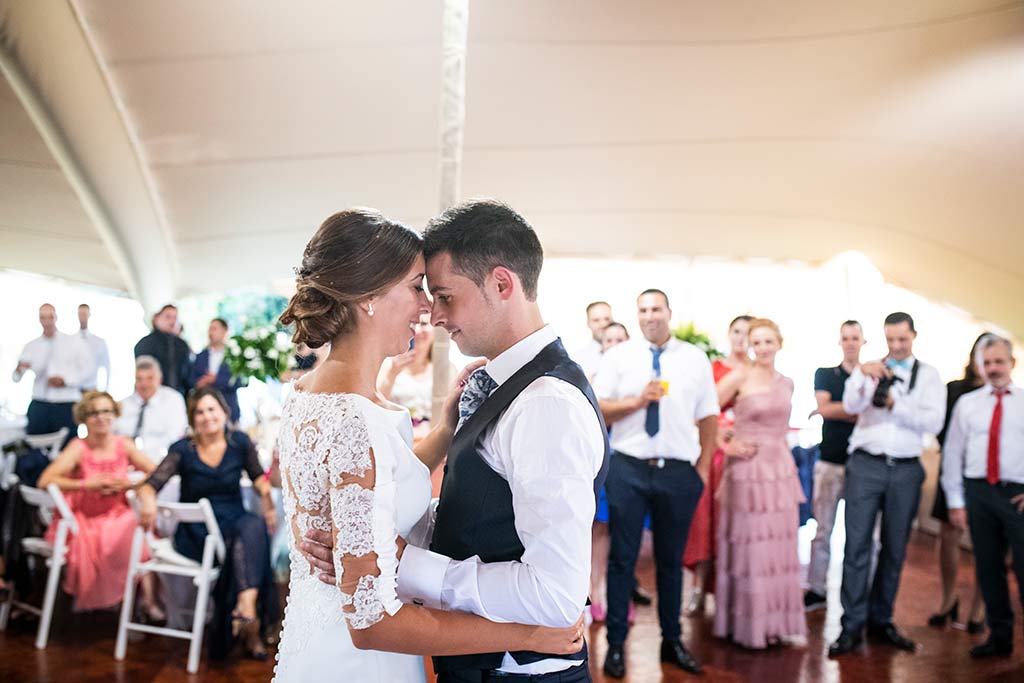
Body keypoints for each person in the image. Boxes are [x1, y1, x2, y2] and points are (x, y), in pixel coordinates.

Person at [274, 205, 595, 683]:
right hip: (363, 660)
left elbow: (377, 486)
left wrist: (443, 437)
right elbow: (372, 616)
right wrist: (525, 634)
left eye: (441, 294)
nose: (429, 310)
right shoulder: (356, 419)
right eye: (417, 288)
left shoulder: (306, 395)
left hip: (326, 646)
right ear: (368, 297)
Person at [593, 289, 716, 678]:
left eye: (656, 309)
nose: (650, 316)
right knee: (622, 559)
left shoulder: (695, 359)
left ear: (669, 313)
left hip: (678, 473)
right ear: (637, 315)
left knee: (671, 561)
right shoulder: (618, 357)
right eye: (643, 310)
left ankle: (672, 641)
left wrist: (703, 472)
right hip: (628, 469)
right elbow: (598, 407)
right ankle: (615, 645)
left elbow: (709, 416)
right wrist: (634, 402)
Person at [829, 312, 945, 656]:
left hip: (907, 469)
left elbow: (933, 422)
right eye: (890, 339)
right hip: (866, 465)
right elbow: (851, 405)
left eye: (902, 340)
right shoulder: (868, 368)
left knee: (895, 548)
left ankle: (882, 620)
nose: (895, 346)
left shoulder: (929, 376)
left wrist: (897, 403)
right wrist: (863, 378)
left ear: (913, 336)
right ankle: (851, 625)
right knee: (856, 546)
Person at [137, 387, 278, 660]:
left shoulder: (239, 442)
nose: (206, 416)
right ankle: (252, 627)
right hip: (197, 535)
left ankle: (245, 607)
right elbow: (150, 484)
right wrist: (148, 500)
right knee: (252, 534)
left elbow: (258, 477)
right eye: (199, 411)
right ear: (192, 419)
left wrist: (267, 500)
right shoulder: (182, 449)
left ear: (224, 413)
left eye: (212, 409)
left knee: (251, 526)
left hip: (233, 523)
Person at [713, 318, 806, 648]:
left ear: (780, 343)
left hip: (780, 471)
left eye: (769, 341)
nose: (763, 348)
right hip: (747, 472)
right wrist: (726, 443)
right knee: (752, 550)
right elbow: (705, 411)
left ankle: (775, 625)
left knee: (778, 550)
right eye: (758, 342)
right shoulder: (740, 375)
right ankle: (746, 628)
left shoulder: (788, 382)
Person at [36, 391, 160, 616]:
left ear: (115, 414)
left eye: (106, 411)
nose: (101, 417)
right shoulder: (78, 447)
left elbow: (157, 472)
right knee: (135, 531)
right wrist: (85, 484)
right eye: (94, 413)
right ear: (85, 418)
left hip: (117, 514)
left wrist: (127, 484)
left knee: (136, 525)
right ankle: (139, 605)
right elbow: (45, 480)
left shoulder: (125, 445)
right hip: (87, 519)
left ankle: (142, 603)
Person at [942, 335, 1023, 659]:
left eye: (998, 361)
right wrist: (955, 501)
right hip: (978, 493)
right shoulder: (968, 404)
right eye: (987, 363)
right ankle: (999, 637)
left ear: (1011, 363)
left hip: (1017, 496)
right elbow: (953, 453)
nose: (993, 368)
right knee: (988, 568)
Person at [683, 314, 752, 616]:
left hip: (750, 455)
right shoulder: (716, 369)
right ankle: (699, 587)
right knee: (708, 525)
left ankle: (738, 591)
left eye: (748, 333)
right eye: (736, 331)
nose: (742, 338)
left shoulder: (761, 372)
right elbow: (702, 412)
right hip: (717, 456)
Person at [803, 320, 866, 612]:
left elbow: (828, 410)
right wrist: (856, 410)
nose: (850, 342)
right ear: (839, 341)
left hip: (862, 466)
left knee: (862, 533)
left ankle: (856, 594)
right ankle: (816, 588)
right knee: (823, 529)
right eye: (846, 338)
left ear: (863, 341)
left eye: (855, 338)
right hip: (829, 461)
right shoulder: (826, 374)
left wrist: (833, 410)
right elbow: (824, 408)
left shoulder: (870, 377)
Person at [928, 333, 989, 631]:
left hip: (986, 477)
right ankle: (948, 599)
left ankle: (979, 608)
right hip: (953, 470)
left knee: (986, 543)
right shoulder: (954, 390)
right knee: (948, 537)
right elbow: (941, 430)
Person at [590, 321, 630, 623]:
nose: (615, 344)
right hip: (600, 459)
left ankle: (620, 593)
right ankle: (595, 591)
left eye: (621, 339)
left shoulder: (636, 379)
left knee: (625, 532)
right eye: (610, 339)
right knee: (598, 529)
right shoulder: (589, 378)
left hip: (629, 462)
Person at [12, 304, 94, 444]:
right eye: (43, 317)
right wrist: (19, 369)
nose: (47, 322)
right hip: (40, 403)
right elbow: (16, 378)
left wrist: (66, 381)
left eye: (50, 317)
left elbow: (89, 370)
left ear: (56, 317)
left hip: (65, 403)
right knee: (34, 446)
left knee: (68, 447)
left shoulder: (73, 342)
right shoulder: (32, 346)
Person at [377, 313, 457, 432]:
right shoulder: (386, 364)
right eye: (414, 324)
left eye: (424, 324)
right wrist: (392, 374)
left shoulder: (446, 369)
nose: (418, 331)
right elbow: (376, 406)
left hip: (431, 441)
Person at [116, 356, 188, 463]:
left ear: (160, 379)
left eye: (150, 378)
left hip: (162, 461)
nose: (144, 384)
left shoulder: (173, 400)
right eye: (139, 379)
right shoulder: (123, 405)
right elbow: (116, 435)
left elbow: (175, 436)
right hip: (127, 461)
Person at [188, 318, 243, 424]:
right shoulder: (200, 356)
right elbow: (191, 380)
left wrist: (215, 379)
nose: (210, 332)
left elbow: (241, 381)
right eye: (209, 329)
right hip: (206, 415)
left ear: (224, 331)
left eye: (214, 329)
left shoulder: (235, 356)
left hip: (230, 412)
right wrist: (200, 383)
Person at [134, 304, 193, 395]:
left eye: (175, 318)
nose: (172, 321)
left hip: (179, 396)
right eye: (168, 317)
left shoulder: (182, 345)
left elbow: (187, 374)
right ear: (157, 318)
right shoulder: (145, 344)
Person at [573, 301, 613, 379]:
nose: (603, 324)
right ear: (588, 323)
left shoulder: (628, 351)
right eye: (596, 320)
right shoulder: (577, 360)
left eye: (607, 319)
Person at [76, 304, 110, 392]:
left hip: (91, 389)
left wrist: (105, 390)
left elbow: (107, 367)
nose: (82, 317)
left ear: (89, 315)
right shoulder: (71, 341)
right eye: (80, 314)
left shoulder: (99, 342)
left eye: (85, 314)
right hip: (73, 390)